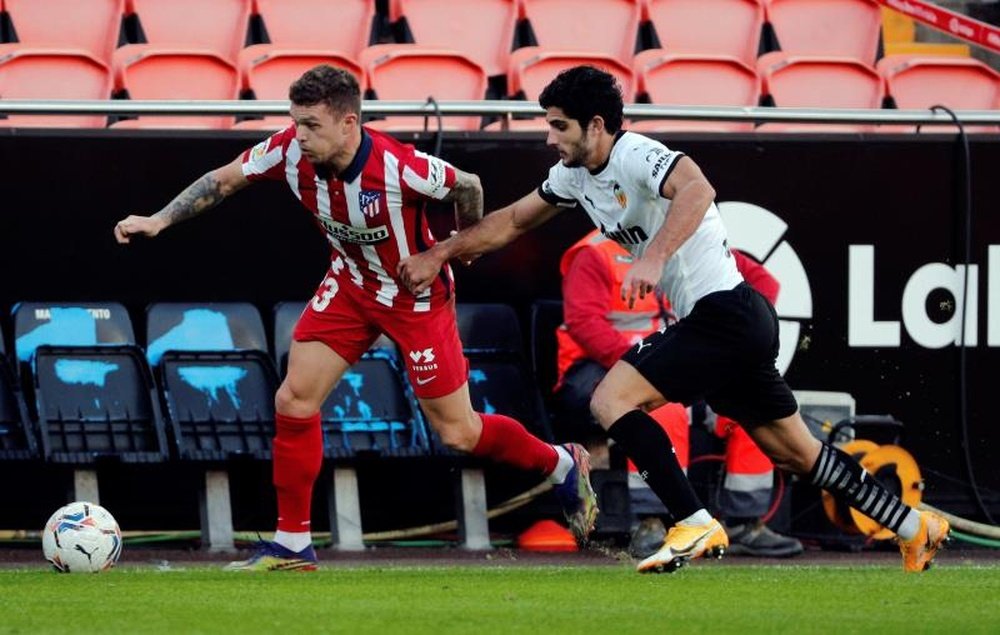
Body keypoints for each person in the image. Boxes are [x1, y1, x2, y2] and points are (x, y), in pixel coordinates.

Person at [397, 65, 949, 574]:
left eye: (559, 126)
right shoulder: (573, 176)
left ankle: (692, 520)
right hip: (736, 323)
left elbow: (698, 188)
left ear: (595, 126)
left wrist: (655, 255)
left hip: (723, 315)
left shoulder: (636, 152)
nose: (549, 138)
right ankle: (914, 525)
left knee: (611, 400)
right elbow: (513, 221)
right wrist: (440, 253)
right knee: (795, 451)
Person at [113, 65, 598, 571]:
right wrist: (160, 219)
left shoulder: (398, 166)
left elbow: (468, 185)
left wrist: (461, 245)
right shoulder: (287, 150)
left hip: (416, 299)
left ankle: (561, 461)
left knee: (458, 432)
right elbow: (225, 179)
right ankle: (292, 545)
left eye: (312, 126)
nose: (299, 136)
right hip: (350, 288)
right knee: (294, 399)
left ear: (348, 124)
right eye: (295, 122)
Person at [555, 229, 802, 558]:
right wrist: (648, 364)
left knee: (749, 402)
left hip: (679, 362)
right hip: (598, 370)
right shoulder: (595, 253)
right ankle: (652, 522)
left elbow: (763, 285)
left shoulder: (691, 239)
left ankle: (745, 522)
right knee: (662, 409)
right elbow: (584, 322)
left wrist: (731, 337)